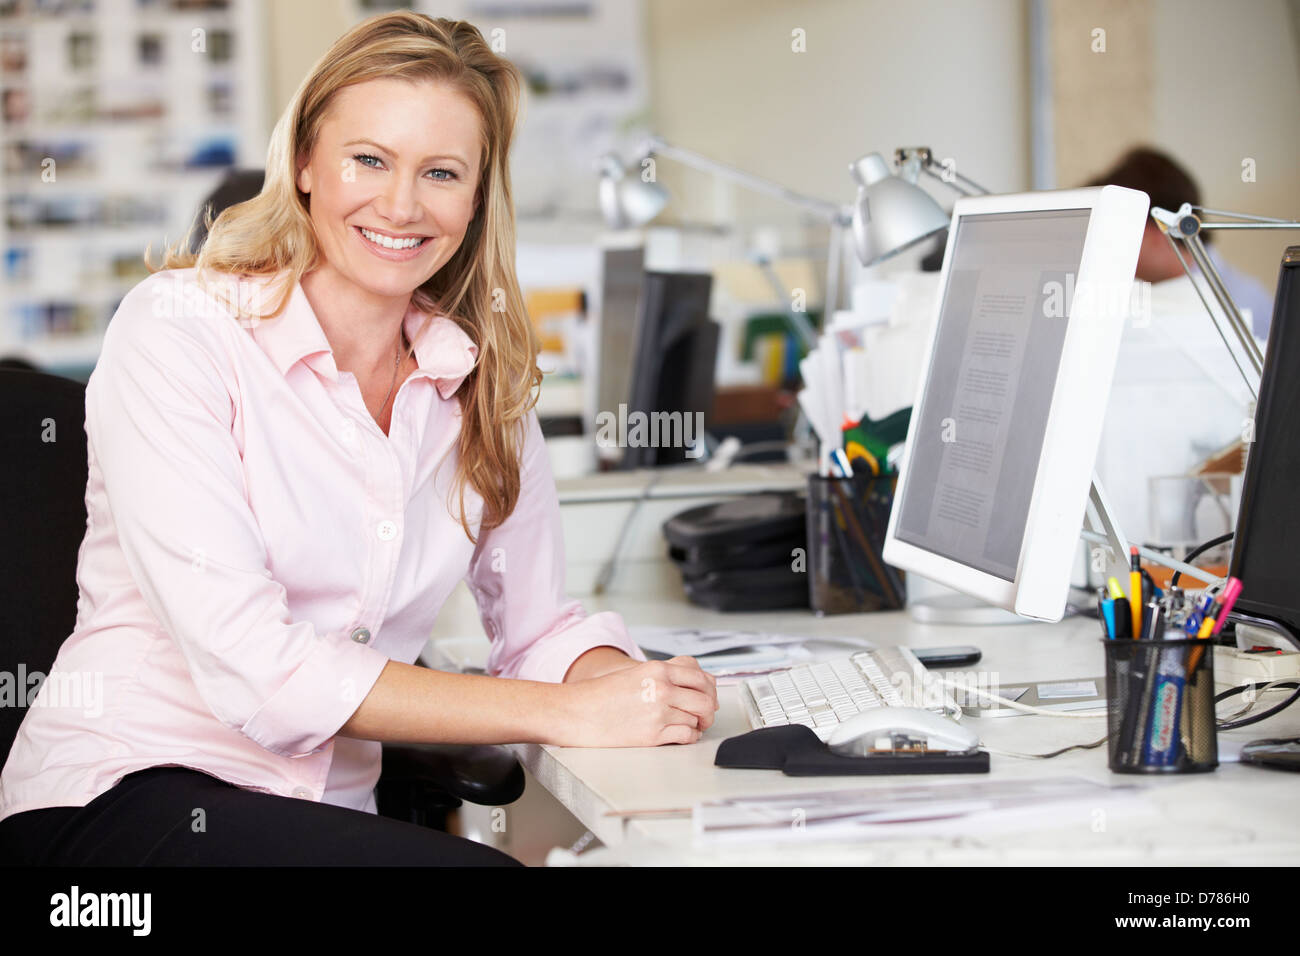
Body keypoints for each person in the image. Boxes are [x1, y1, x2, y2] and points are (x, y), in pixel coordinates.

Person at [0, 12, 717, 867]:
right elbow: (257, 667)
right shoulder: (180, 331)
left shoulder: (478, 377)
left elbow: (537, 627)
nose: (402, 205)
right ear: (304, 161)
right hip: (122, 799)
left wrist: (628, 685)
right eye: (368, 159)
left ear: (479, 194)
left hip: (326, 814)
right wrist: (563, 713)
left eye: (442, 172)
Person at [1085, 146, 1275, 338]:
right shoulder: (1157, 295)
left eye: (1115, 231)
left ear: (1157, 232)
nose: (1106, 247)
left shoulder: (1240, 306)